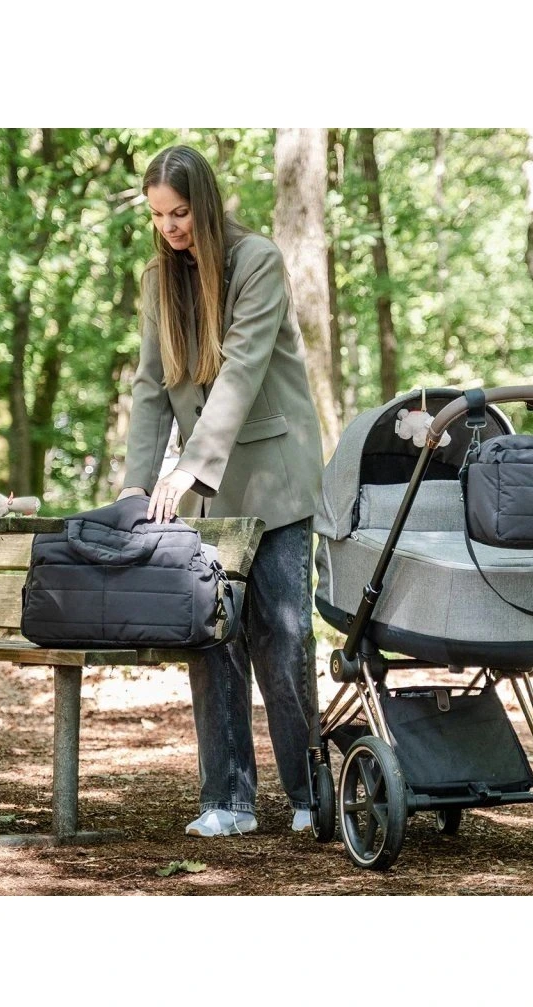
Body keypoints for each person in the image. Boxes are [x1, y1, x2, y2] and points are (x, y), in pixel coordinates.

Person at [118, 144, 324, 838]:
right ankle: (229, 800)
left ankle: (311, 791)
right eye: (158, 216)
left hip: (274, 479)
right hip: (206, 496)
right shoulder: (158, 280)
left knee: (283, 636)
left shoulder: (256, 261)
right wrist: (137, 484)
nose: (170, 227)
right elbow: (151, 389)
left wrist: (187, 468)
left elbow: (240, 371)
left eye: (179, 212)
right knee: (212, 641)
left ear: (203, 204)